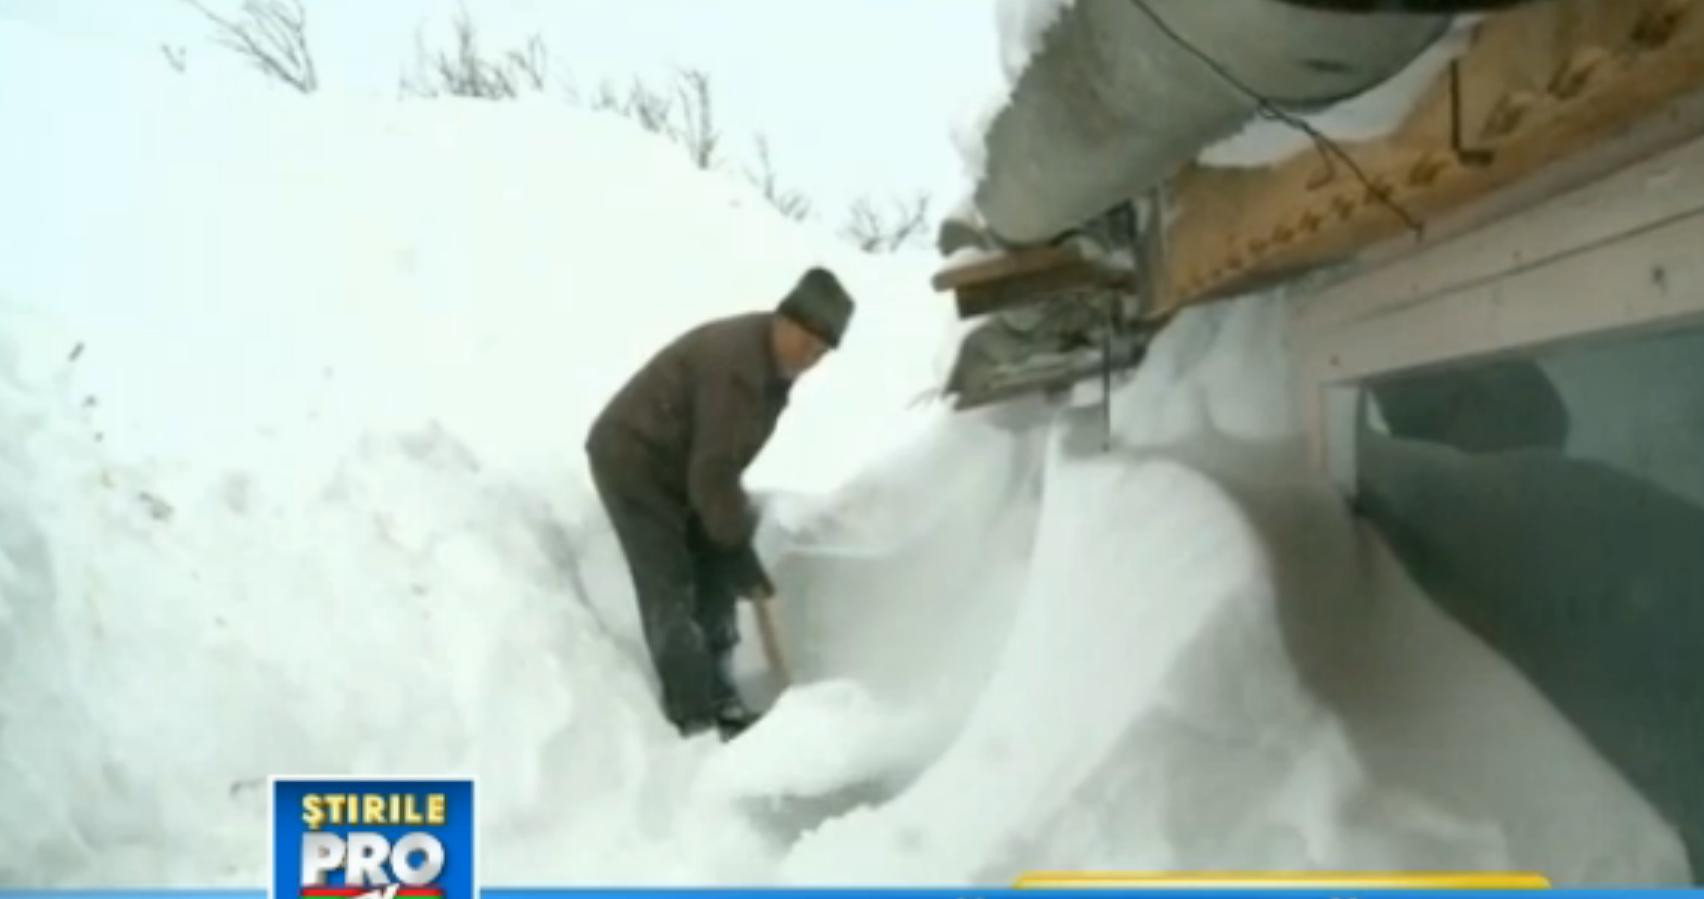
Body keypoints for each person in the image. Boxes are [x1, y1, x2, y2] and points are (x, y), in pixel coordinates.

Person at [584, 267, 855, 740]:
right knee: (670, 586)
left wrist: (728, 547)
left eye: (822, 353)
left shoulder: (771, 364)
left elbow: (718, 466)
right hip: (634, 460)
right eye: (809, 345)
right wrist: (737, 550)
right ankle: (696, 718)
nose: (812, 360)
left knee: (716, 575)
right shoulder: (738, 368)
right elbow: (711, 471)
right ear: (787, 320)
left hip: (681, 466)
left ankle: (723, 699)